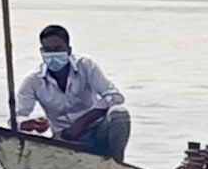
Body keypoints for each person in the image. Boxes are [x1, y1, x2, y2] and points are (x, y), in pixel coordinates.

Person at [12, 24, 130, 160]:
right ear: (41, 52)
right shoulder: (33, 80)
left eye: (57, 49)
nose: (52, 55)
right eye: (47, 50)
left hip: (97, 130)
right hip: (64, 138)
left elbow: (114, 96)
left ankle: (115, 163)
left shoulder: (85, 66)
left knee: (120, 114)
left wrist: (81, 123)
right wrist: (29, 123)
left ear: (68, 50)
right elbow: (17, 117)